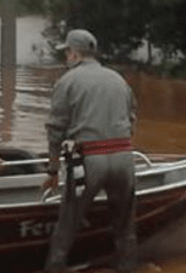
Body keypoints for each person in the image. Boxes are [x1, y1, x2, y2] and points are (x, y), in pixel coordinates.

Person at [42, 29, 137, 273]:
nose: (66, 57)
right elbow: (132, 118)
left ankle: (55, 266)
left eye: (67, 53)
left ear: (73, 54)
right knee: (124, 224)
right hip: (124, 157)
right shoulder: (118, 79)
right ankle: (126, 265)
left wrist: (53, 170)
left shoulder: (67, 81)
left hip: (88, 161)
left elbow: (55, 130)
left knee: (68, 222)